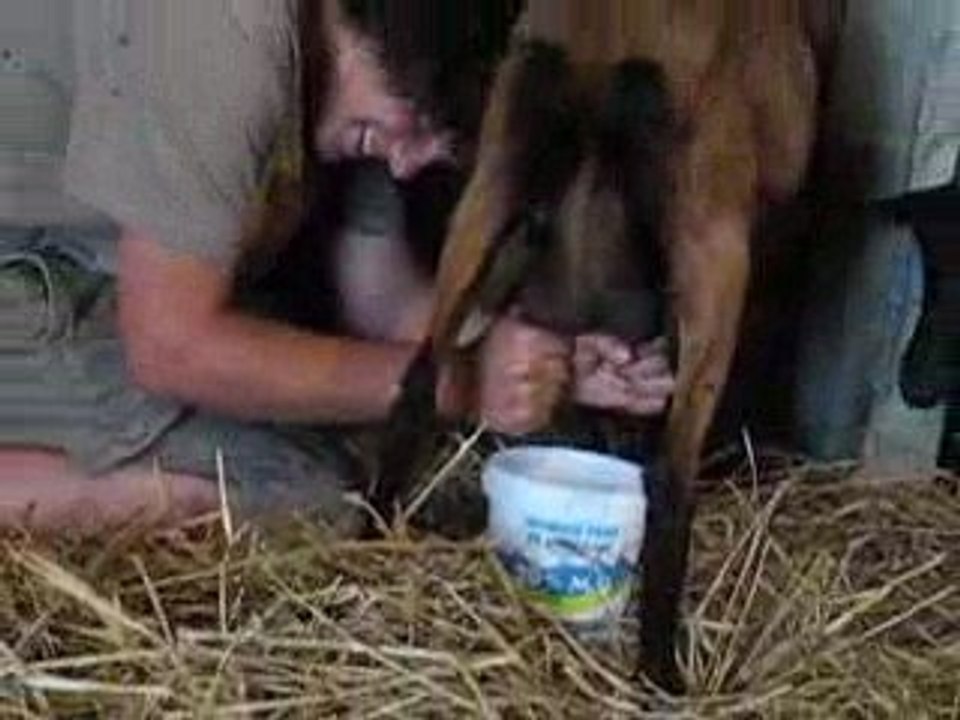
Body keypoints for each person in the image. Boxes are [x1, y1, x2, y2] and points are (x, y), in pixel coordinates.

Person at [0, 0, 676, 536]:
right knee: (292, 493)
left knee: (334, 441)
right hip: (33, 265)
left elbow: (378, 293)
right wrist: (460, 384)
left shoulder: (363, 63)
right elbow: (171, 347)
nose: (406, 163)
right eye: (417, 122)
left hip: (85, 274)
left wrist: (537, 359)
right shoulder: (221, 33)